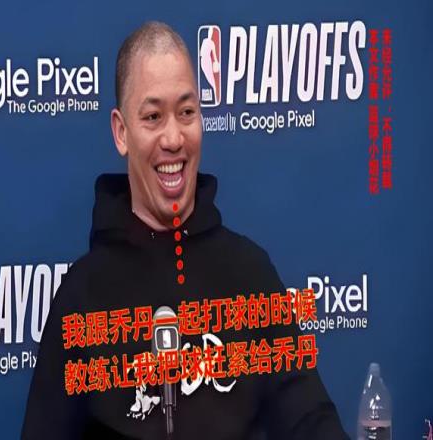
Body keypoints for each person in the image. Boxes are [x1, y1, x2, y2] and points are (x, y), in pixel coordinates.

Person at [22, 21, 349, 440]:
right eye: (153, 116)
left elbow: (313, 423)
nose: (174, 138)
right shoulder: (82, 296)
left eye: (186, 112)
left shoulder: (250, 274)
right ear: (121, 132)